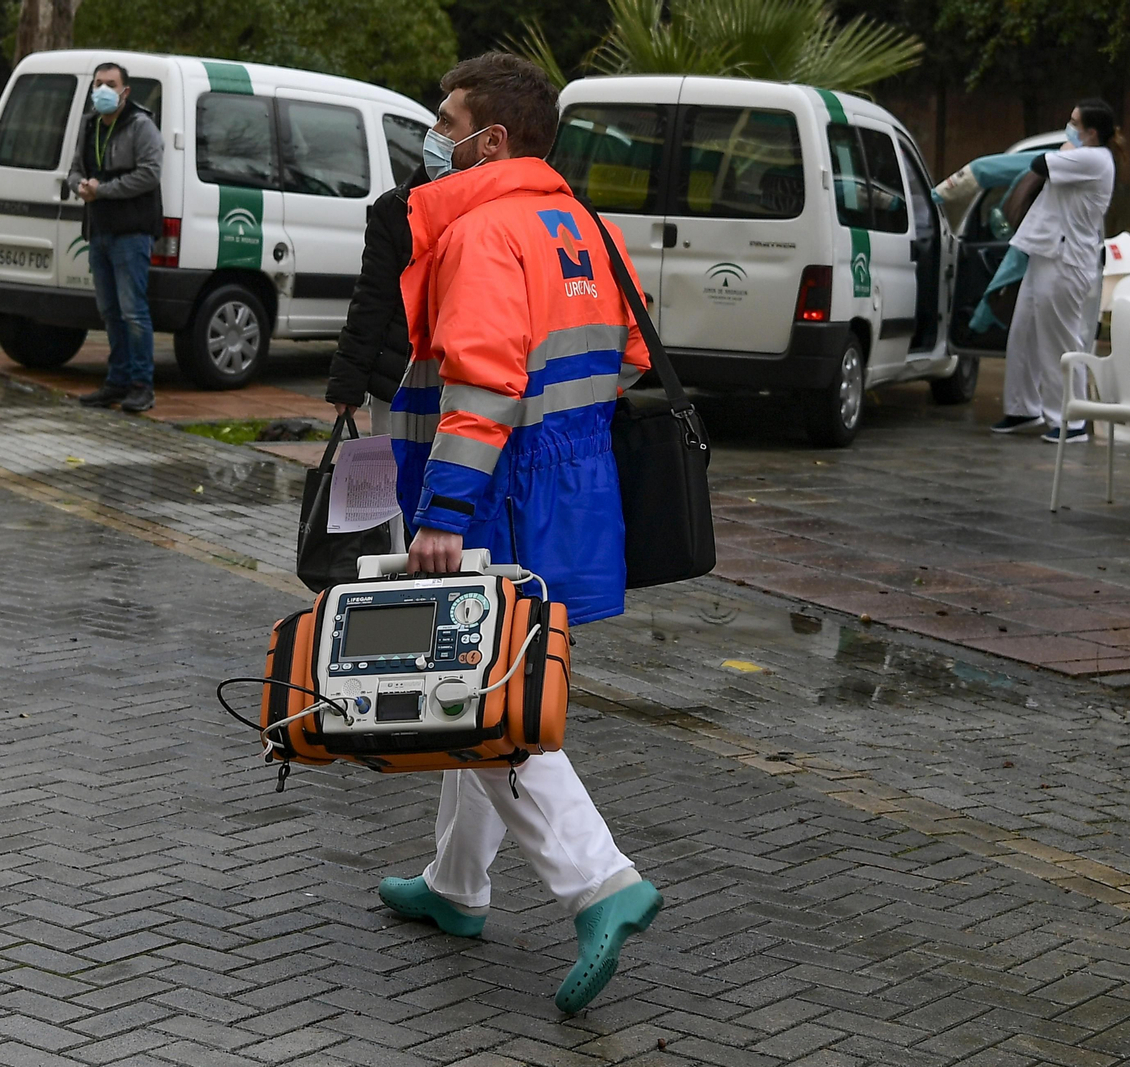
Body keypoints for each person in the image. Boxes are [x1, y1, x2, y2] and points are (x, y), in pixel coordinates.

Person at [376, 52, 660, 1015]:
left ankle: (602, 883)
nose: (434, 133)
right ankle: (458, 887)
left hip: (491, 498)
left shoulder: (482, 232)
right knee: (479, 681)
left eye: (446, 117)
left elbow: (487, 380)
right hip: (571, 493)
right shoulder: (582, 224)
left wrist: (445, 512)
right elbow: (626, 352)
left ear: (489, 138)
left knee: (485, 700)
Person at [992, 99, 1121, 443]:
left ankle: (1072, 418)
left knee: (1060, 341)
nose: (1069, 125)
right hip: (1045, 253)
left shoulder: (1094, 158)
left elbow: (1039, 163)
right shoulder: (1080, 155)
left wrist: (1064, 147)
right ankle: (1022, 408)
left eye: (1074, 122)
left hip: (1067, 261)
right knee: (1024, 333)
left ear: (1091, 133)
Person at [326, 162, 430, 551]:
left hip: (461, 386)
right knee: (392, 508)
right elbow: (371, 299)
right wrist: (348, 382)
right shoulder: (397, 206)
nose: (435, 134)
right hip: (397, 382)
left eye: (447, 123)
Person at [68, 62, 164, 414]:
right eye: (98, 84)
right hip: (99, 231)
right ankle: (117, 381)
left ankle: (142, 386)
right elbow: (75, 168)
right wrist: (80, 186)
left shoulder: (141, 125)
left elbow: (150, 174)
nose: (103, 90)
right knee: (109, 311)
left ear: (125, 91)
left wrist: (104, 190)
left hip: (132, 232)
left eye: (111, 84)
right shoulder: (89, 124)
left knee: (133, 311)